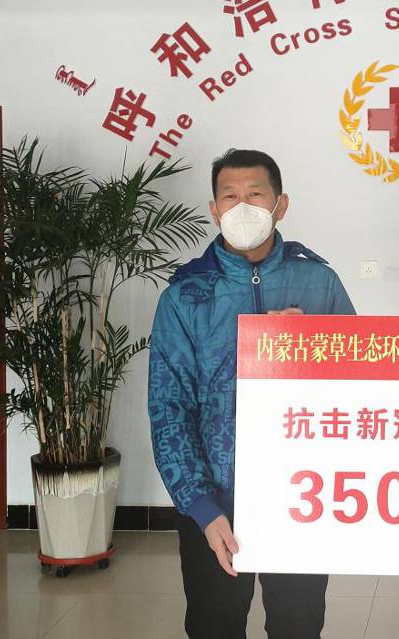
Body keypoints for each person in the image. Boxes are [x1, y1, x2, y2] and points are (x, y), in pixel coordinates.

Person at [148, 149, 355, 639]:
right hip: (216, 502)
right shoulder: (185, 296)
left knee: (299, 624)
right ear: (214, 209)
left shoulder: (319, 282)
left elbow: (357, 379)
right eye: (230, 197)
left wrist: (312, 343)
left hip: (303, 495)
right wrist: (202, 508)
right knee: (214, 625)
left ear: (280, 205)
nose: (242, 207)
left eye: (255, 195)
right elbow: (168, 410)